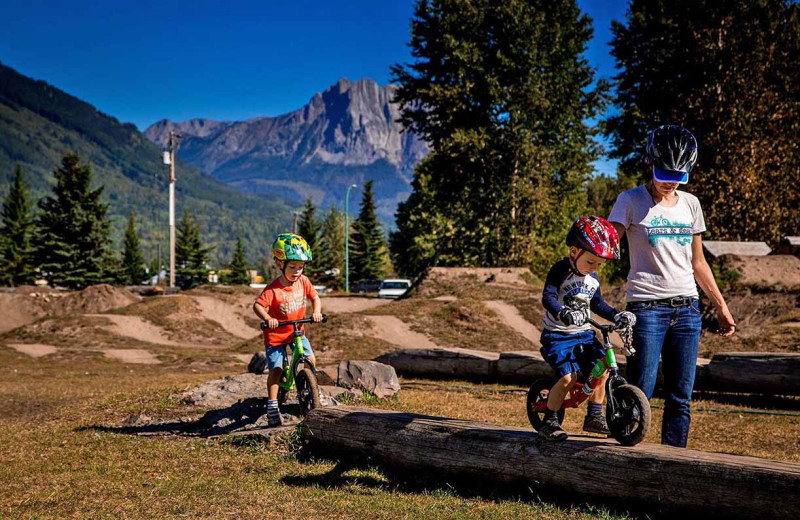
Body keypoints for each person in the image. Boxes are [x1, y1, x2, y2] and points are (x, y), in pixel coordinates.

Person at [608, 124, 736, 448]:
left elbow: (698, 263)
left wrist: (720, 306)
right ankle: (623, 458)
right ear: (650, 163)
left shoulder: (691, 205)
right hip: (646, 308)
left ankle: (673, 463)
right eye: (664, 172)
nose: (670, 180)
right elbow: (605, 244)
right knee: (641, 390)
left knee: (681, 397)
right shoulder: (631, 201)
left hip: (687, 310)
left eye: (679, 174)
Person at [538, 216, 637, 441]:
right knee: (567, 379)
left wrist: (616, 314)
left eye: (600, 265)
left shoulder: (592, 278)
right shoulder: (561, 270)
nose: (594, 268)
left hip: (584, 333)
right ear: (574, 252)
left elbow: (597, 303)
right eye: (591, 262)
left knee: (602, 369)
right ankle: (550, 420)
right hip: (558, 336)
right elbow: (548, 297)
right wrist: (563, 312)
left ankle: (594, 416)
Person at [253, 233, 323, 427]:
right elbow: (257, 306)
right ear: (279, 264)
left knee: (310, 359)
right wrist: (268, 318)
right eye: (292, 267)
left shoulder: (304, 282)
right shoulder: (273, 289)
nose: (297, 271)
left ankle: (314, 390)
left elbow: (315, 298)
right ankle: (273, 404)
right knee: (276, 369)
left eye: (300, 267)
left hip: (296, 332)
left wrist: (316, 312)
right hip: (276, 335)